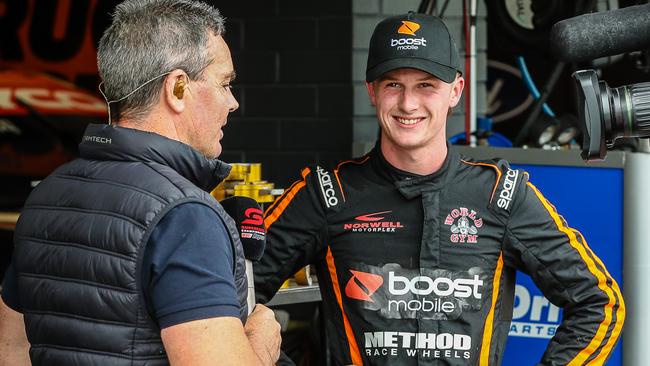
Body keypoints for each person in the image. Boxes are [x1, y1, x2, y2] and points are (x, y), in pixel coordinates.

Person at [254, 12, 625, 365]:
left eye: (426, 85)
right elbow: (227, 293)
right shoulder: (326, 193)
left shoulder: (501, 195)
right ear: (372, 91)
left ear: (456, 91)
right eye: (393, 84)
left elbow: (600, 302)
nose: (408, 103)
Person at [0, 1, 281, 365]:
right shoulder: (185, 216)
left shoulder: (46, 196)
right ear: (178, 89)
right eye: (225, 83)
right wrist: (261, 341)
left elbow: (11, 350)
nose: (233, 102)